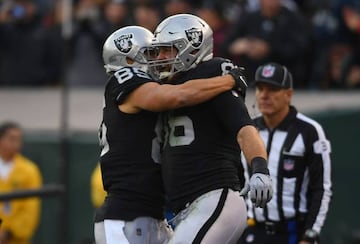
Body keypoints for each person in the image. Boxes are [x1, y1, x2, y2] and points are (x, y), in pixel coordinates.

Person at [95, 25, 247, 244]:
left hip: (152, 214)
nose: (158, 59)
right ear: (128, 60)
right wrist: (228, 80)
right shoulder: (125, 79)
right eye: (149, 53)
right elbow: (176, 97)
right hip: (125, 213)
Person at [149, 13, 273, 243]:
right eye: (159, 51)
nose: (161, 57)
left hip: (214, 198)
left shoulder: (213, 77)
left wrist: (260, 168)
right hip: (184, 209)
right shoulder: (166, 90)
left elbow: (245, 129)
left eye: (168, 50)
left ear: (192, 47)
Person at [238, 63, 332, 244]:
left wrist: (310, 235)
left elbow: (322, 188)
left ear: (288, 94)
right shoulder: (248, 129)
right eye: (260, 88)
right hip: (253, 229)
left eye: (273, 89)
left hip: (292, 232)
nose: (264, 95)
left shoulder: (310, 131)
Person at [0, 121, 42, 244]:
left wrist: (9, 232)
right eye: (11, 138)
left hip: (17, 240)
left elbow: (31, 209)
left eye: (18, 139)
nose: (16, 143)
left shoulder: (29, 170)